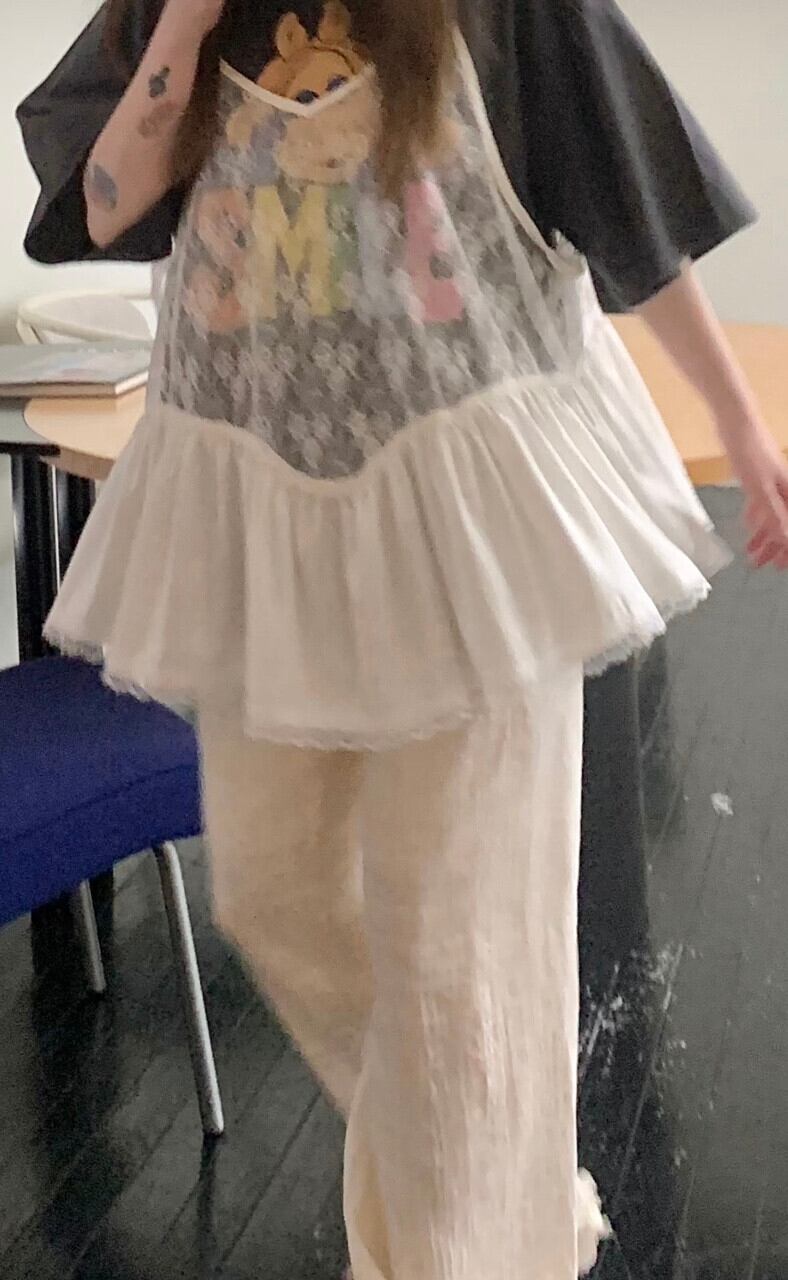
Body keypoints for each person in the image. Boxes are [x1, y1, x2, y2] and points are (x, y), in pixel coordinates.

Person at [17, 1, 788, 1275]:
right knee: (270, 889)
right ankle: (504, 1179)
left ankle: (461, 1241)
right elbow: (102, 209)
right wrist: (184, 28)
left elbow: (633, 208)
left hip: (472, 529)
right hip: (267, 527)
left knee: (458, 949)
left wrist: (743, 431)